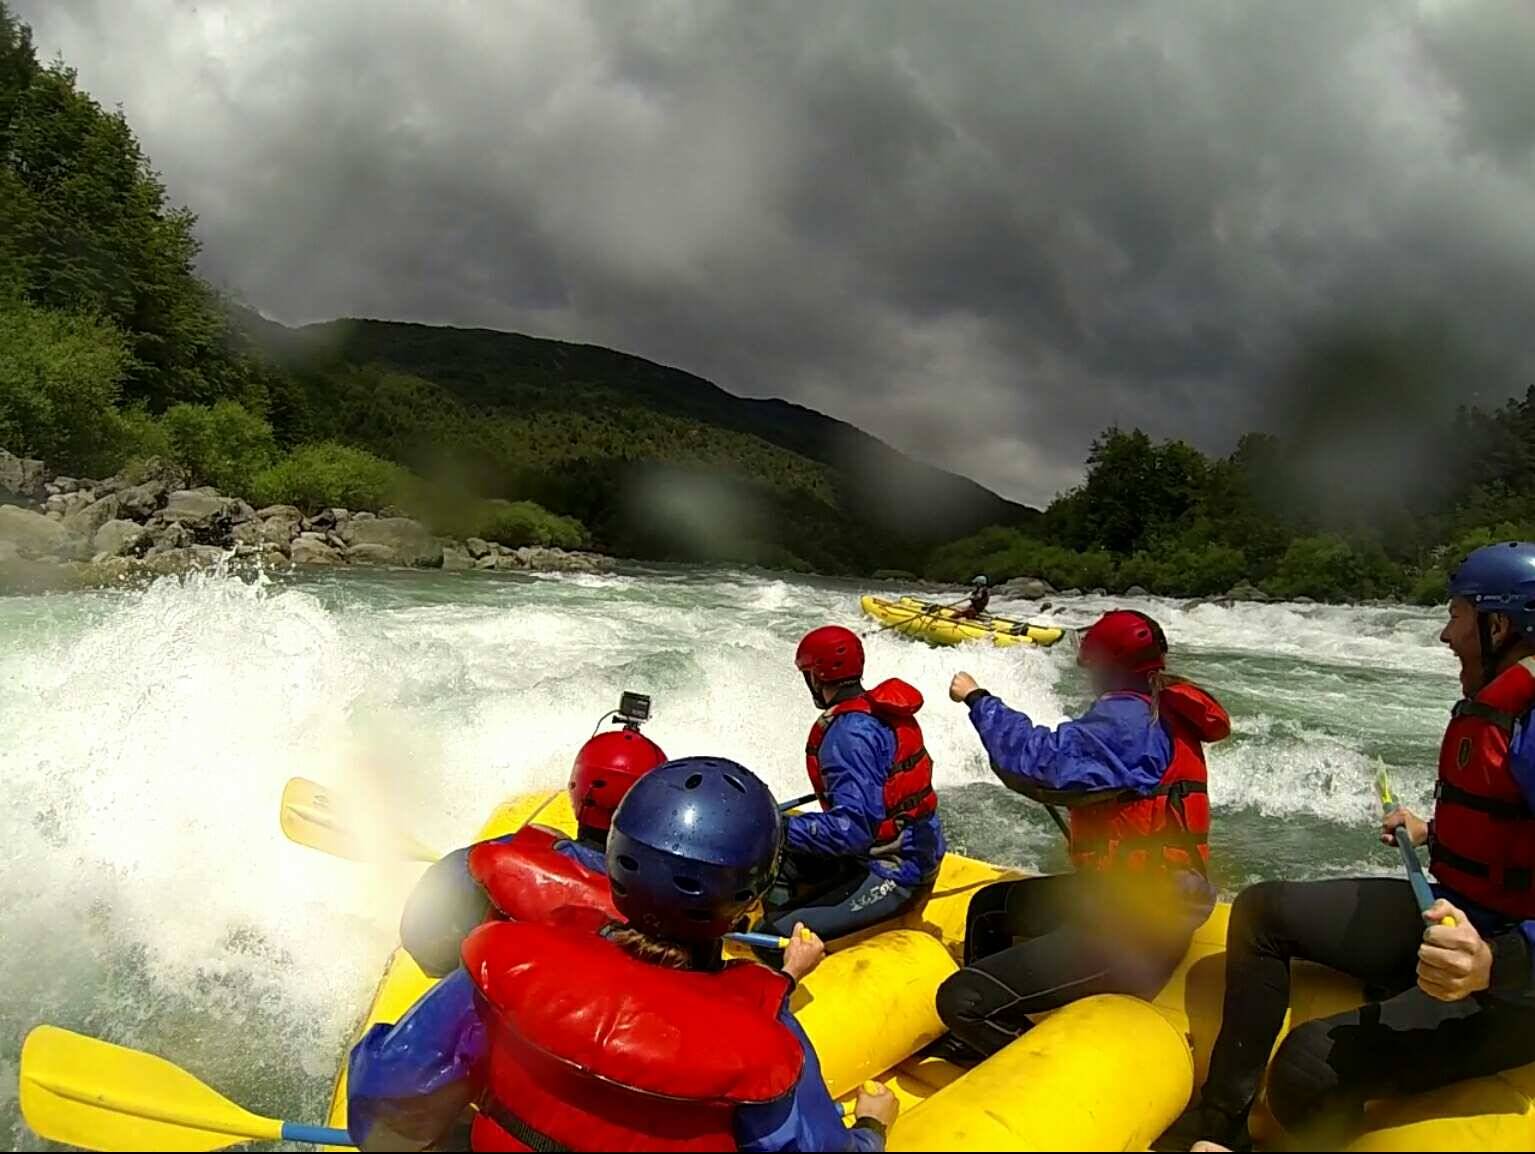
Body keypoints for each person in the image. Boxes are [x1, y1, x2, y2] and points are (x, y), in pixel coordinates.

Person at [1154, 542, 1535, 1152]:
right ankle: (1219, 1127)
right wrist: (1433, 834)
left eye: (1457, 615)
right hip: (1457, 915)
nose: (1444, 633)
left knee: (1309, 1070)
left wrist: (1499, 964)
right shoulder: (1502, 706)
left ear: (1499, 625)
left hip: (1516, 978)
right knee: (1262, 911)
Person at [346, 756, 900, 1152]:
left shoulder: (505, 965)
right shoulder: (765, 1038)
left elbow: (387, 1096)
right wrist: (870, 1132)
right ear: (748, 902)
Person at [929, 609, 1229, 1067]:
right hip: (1127, 898)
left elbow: (1039, 763)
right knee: (989, 908)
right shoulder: (1157, 707)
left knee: (961, 999)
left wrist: (978, 699)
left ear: (1105, 666)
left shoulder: (1129, 723)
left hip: (1137, 929)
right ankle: (985, 1035)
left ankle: (1033, 1067)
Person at [398, 709, 667, 976]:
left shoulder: (505, 854)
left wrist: (449, 967)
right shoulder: (672, 903)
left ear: (576, 788)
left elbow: (419, 932)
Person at [755, 625, 945, 948]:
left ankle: (792, 941)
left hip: (895, 872)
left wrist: (777, 826)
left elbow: (853, 830)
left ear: (815, 677)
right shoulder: (876, 712)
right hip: (898, 850)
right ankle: (796, 913)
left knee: (767, 938)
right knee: (782, 859)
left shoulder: (848, 736)